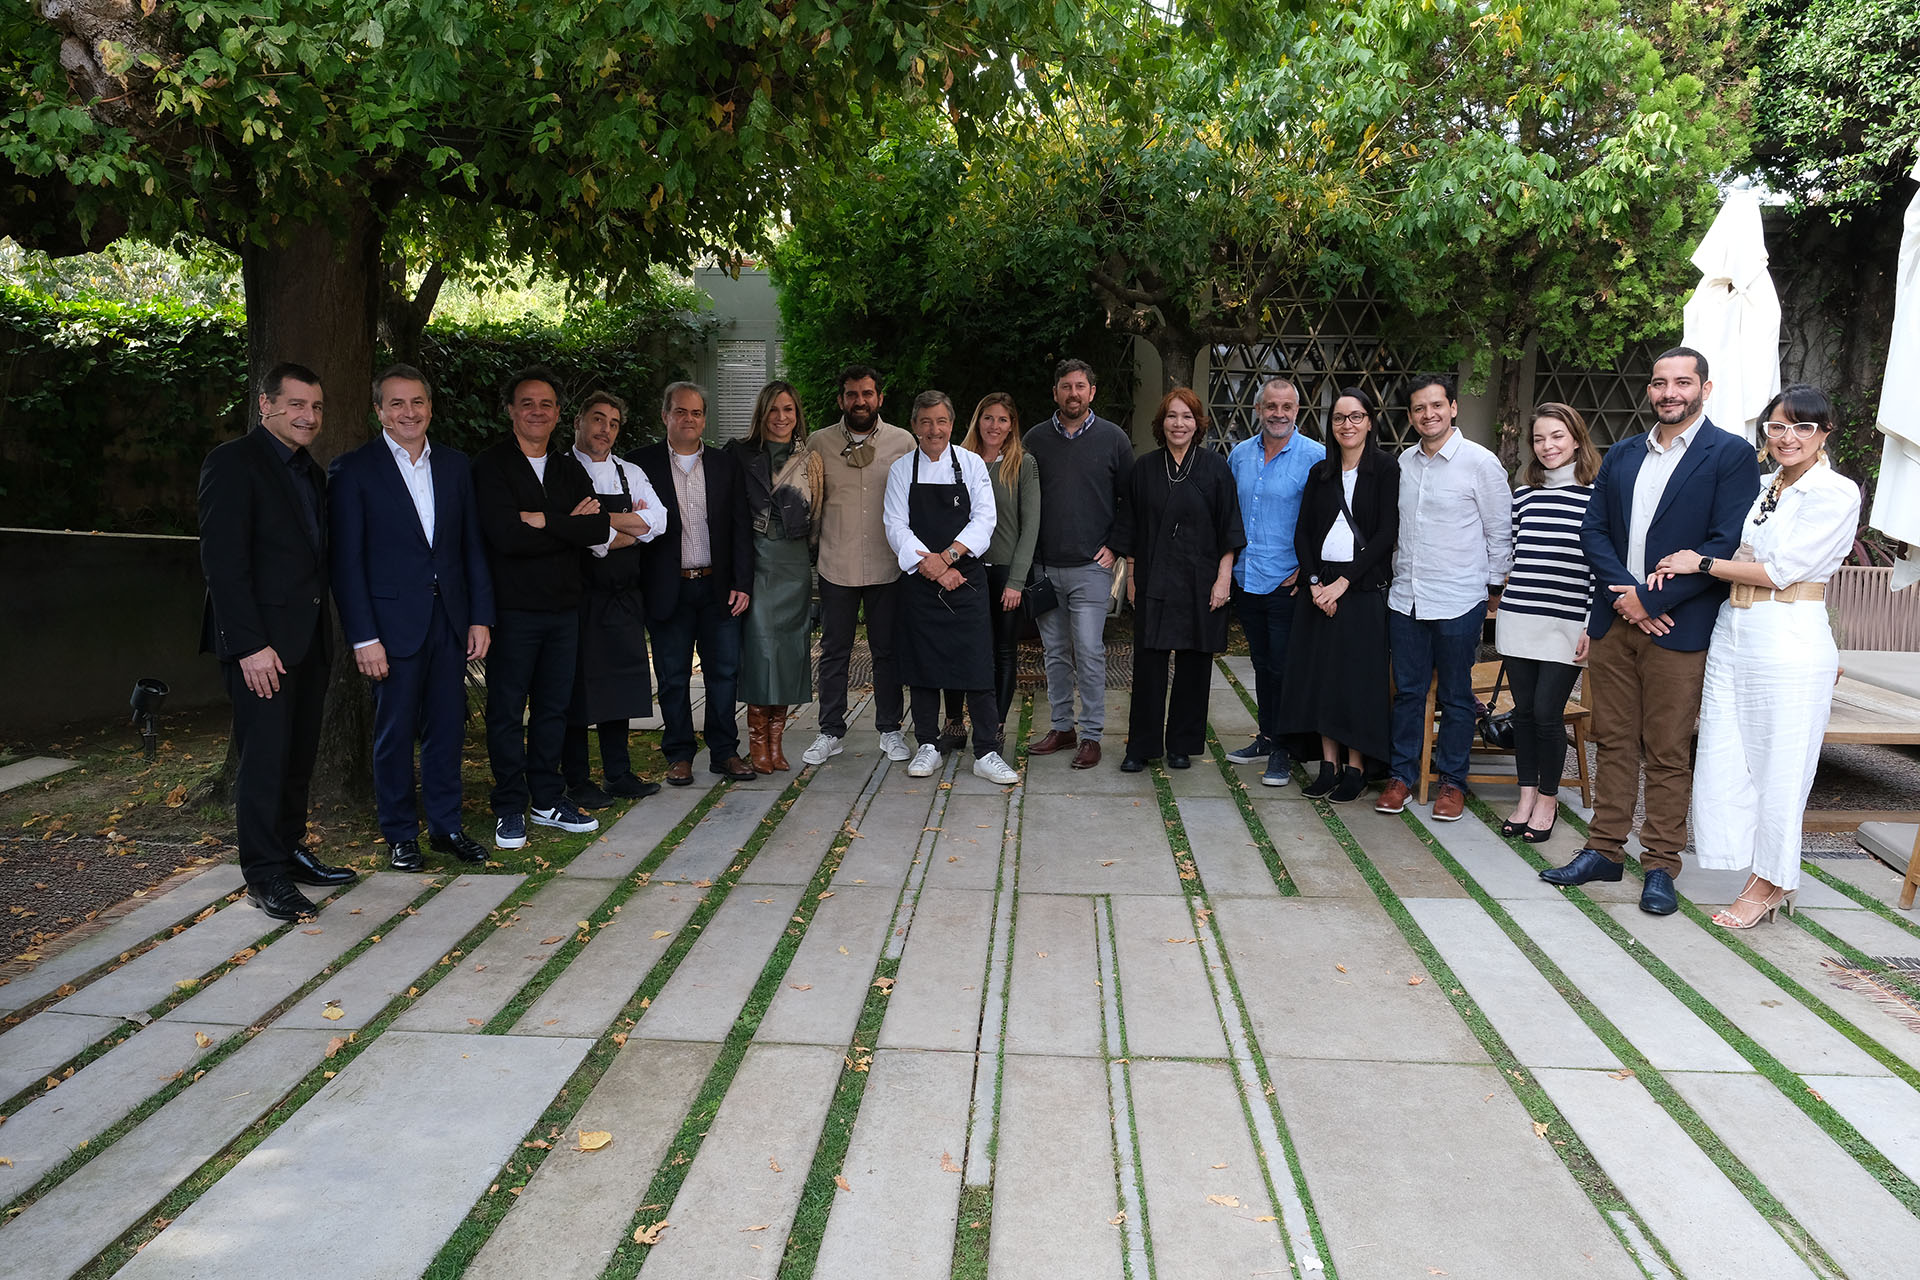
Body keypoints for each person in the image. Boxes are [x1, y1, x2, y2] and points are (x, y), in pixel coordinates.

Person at [1541, 347, 1762, 915]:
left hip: (1680, 626)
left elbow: (1723, 543)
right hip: (1617, 619)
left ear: (1704, 390)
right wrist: (1628, 597)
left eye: (1683, 383)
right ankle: (1605, 849)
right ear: (1649, 391)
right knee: (1612, 739)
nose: (1670, 392)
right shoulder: (1621, 454)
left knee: (1666, 749)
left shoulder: (1731, 455)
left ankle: (1660, 863)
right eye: (1660, 383)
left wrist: (1652, 598)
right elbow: (1594, 533)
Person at [1649, 385, 1859, 928]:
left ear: (1824, 434)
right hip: (1735, 627)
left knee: (1781, 764)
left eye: (1803, 428)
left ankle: (1770, 881)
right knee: (1723, 749)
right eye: (1778, 426)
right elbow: (1736, 548)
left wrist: (1702, 564)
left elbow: (1780, 569)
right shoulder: (1764, 486)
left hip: (1787, 632)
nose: (1788, 438)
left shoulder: (1834, 493)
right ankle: (1745, 863)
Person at [198, 361, 354, 920]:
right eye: (296, 405)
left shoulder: (311, 472)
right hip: (258, 647)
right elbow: (223, 564)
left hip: (309, 640)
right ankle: (264, 874)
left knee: (297, 757)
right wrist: (248, 645)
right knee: (263, 760)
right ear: (265, 405)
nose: (307, 416)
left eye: (315, 407)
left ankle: (288, 851)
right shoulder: (233, 463)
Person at [329, 363, 496, 871]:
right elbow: (346, 563)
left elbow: (471, 548)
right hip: (390, 630)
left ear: (430, 407)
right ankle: (401, 834)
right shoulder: (354, 470)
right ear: (378, 410)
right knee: (395, 735)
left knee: (447, 730)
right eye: (397, 403)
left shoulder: (454, 465)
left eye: (417, 402)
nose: (409, 412)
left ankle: (446, 828)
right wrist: (363, 637)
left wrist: (480, 617)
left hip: (450, 622)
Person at [471, 367, 620, 849]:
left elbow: (597, 530)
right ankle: (510, 805)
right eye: (528, 403)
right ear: (512, 410)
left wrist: (538, 520)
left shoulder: (565, 468)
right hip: (513, 613)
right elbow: (504, 538)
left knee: (554, 709)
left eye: (547, 404)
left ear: (558, 415)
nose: (538, 411)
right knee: (508, 711)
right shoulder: (491, 466)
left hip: (563, 611)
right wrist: (562, 525)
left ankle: (547, 797)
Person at [1377, 374, 1513, 822]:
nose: (1428, 414)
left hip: (1460, 599)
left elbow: (1499, 533)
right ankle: (1401, 776)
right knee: (1408, 694)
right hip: (1407, 599)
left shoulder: (1481, 462)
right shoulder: (1404, 464)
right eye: (1418, 408)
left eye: (1436, 405)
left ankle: (1452, 783)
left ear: (1453, 407)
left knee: (1456, 697)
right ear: (1411, 415)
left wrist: (1492, 592)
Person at [883, 391, 1020, 784]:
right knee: (923, 667)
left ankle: (987, 752)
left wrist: (948, 558)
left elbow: (984, 520)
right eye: (925, 422)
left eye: (941, 421)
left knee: (977, 665)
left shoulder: (972, 464)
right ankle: (927, 744)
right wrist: (933, 566)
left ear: (952, 424)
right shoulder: (900, 470)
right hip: (921, 581)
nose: (934, 429)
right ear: (914, 426)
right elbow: (896, 526)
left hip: (966, 580)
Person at [1113, 389, 1246, 772]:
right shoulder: (1144, 468)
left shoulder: (1215, 468)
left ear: (1198, 423)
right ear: (1162, 423)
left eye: (1187, 417)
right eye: (1172, 416)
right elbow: (1132, 527)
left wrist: (1223, 580)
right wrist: (1133, 579)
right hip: (1155, 577)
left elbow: (1229, 528)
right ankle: (1141, 745)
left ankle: (1181, 745)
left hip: (1200, 579)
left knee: (1194, 663)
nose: (1179, 424)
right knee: (1148, 663)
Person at [633, 381, 756, 785]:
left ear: (705, 418)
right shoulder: (639, 466)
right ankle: (680, 755)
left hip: (718, 587)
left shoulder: (724, 464)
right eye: (680, 411)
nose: (689, 419)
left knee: (724, 673)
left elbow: (740, 526)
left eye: (697, 412)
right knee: (672, 676)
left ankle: (724, 752)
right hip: (668, 588)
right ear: (664, 415)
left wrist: (743, 581)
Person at [1281, 388, 1400, 803]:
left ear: (1370, 421)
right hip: (1319, 588)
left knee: (1357, 681)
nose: (1346, 424)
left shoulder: (1385, 469)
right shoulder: (1321, 472)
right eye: (1338, 418)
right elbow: (1303, 532)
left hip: (1361, 587)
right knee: (1322, 679)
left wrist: (1343, 583)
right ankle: (1327, 765)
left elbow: (1386, 534)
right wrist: (1314, 582)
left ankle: (1356, 767)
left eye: (1355, 416)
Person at [1493, 403, 1601, 842]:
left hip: (1567, 623)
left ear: (1576, 439)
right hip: (1519, 616)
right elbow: (1513, 559)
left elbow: (1599, 567)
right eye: (1539, 439)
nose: (1548, 446)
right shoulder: (1523, 497)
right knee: (1523, 715)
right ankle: (1525, 796)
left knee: (1546, 714)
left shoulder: (1598, 498)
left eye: (1557, 436)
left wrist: (1592, 623)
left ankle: (1549, 799)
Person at [801, 365, 915, 766]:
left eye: (867, 393)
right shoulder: (818, 443)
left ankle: (890, 730)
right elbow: (807, 502)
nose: (860, 401)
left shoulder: (904, 442)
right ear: (841, 400)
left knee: (887, 650)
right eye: (852, 394)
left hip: (889, 565)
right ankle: (830, 731)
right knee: (834, 651)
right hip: (837, 563)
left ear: (879, 398)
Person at [1024, 357, 1135, 769]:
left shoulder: (1114, 438)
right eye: (1066, 386)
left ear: (1092, 391)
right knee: (1053, 651)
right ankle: (1061, 727)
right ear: (1055, 392)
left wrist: (1118, 545)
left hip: (1092, 566)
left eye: (1080, 386)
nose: (1073, 393)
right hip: (1045, 567)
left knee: (1088, 649)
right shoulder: (1034, 439)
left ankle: (1091, 734)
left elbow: (1130, 498)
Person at [563, 391, 669, 809]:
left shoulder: (630, 471)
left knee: (620, 687)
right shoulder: (561, 471)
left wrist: (602, 523)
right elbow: (578, 536)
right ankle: (575, 779)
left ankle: (618, 773)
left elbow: (658, 521)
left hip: (625, 599)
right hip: (580, 599)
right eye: (597, 419)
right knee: (576, 690)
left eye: (612, 423)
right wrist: (627, 529)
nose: (604, 429)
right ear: (578, 422)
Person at [1225, 377, 1325, 786]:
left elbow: (1327, 517)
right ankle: (1267, 736)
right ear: (1257, 410)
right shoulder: (1240, 455)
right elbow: (1229, 515)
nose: (1278, 414)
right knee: (1262, 665)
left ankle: (1286, 749)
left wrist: (1309, 567)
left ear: (1297, 411)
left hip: (1288, 581)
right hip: (1247, 578)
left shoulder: (1315, 456)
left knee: (1285, 668)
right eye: (1271, 406)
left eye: (1286, 407)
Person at [939, 392, 1040, 750]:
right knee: (957, 647)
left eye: (1002, 419)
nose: (994, 426)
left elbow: (1031, 527)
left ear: (1012, 425)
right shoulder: (957, 461)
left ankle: (994, 727)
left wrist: (1016, 581)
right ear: (977, 420)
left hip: (1003, 572)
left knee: (1002, 652)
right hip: (961, 568)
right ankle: (953, 724)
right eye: (988, 417)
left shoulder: (1023, 464)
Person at [733, 380, 825, 773]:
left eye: (788, 409)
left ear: (797, 414)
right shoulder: (739, 454)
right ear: (761, 414)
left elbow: (818, 514)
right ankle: (756, 740)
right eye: (773, 410)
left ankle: (776, 741)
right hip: (755, 561)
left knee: (789, 651)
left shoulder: (811, 460)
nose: (781, 418)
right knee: (760, 650)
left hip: (793, 562)